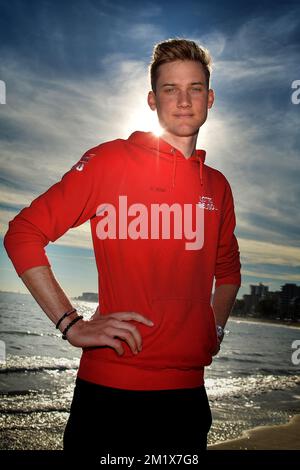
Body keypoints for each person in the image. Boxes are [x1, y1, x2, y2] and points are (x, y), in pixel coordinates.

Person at [4, 38, 241, 457]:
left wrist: (214, 328)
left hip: (187, 400)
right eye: (171, 89)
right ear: (152, 100)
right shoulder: (110, 161)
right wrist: (70, 324)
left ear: (211, 98)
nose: (184, 100)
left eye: (195, 88)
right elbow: (23, 233)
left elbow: (229, 271)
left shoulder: (218, 186)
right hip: (108, 395)